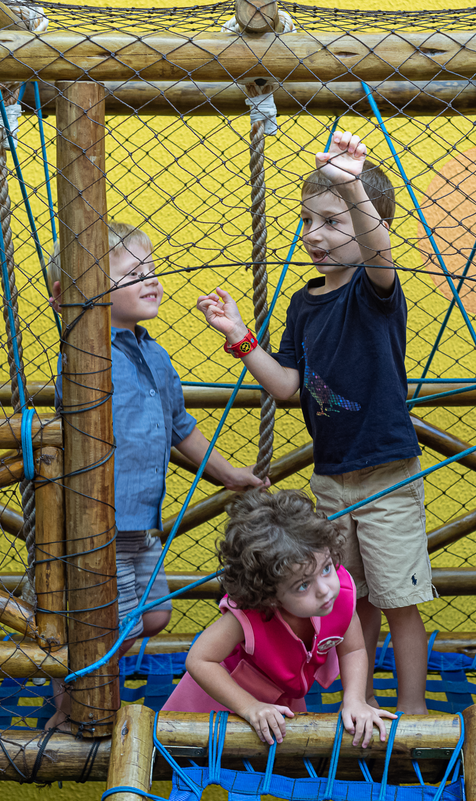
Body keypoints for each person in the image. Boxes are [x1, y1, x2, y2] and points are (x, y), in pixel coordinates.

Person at [196, 131, 435, 714]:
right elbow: (285, 385)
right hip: (332, 477)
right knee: (352, 601)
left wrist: (352, 183)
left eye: (331, 222)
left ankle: (415, 711)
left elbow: (378, 252)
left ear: (365, 219)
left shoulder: (373, 291)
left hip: (387, 475)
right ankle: (361, 701)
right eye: (308, 221)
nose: (314, 236)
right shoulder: (304, 303)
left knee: (400, 600)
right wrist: (238, 339)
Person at [45, 221, 266, 730]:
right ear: (74, 295)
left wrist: (229, 473)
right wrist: (71, 306)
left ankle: (85, 688)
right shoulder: (85, 356)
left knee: (153, 616)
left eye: (153, 270)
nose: (152, 281)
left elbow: (180, 429)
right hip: (96, 521)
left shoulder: (155, 355)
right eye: (133, 273)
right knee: (105, 622)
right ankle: (76, 704)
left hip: (141, 519)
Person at [162, 489, 396, 747]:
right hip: (218, 702)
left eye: (327, 568)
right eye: (303, 585)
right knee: (196, 767)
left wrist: (354, 699)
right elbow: (199, 659)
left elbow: (353, 650)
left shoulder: (339, 596)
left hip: (280, 701)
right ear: (270, 595)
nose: (325, 589)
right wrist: (249, 706)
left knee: (272, 770)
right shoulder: (248, 617)